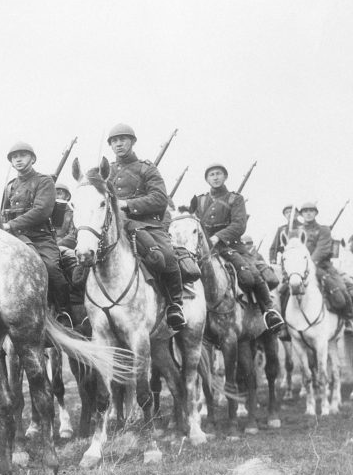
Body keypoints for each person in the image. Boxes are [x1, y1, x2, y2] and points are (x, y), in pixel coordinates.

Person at [105, 123, 186, 331]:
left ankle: (174, 304)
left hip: (146, 225)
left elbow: (160, 199)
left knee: (166, 255)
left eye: (123, 139)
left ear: (132, 142)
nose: (118, 144)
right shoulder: (106, 172)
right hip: (113, 226)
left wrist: (127, 204)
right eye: (114, 141)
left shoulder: (146, 168)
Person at [191, 163, 283, 332]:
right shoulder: (200, 200)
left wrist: (218, 236)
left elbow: (239, 225)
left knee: (251, 275)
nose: (215, 177)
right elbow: (195, 223)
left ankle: (269, 311)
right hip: (205, 248)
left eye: (219, 174)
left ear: (225, 177)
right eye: (212, 175)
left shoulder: (235, 199)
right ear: (207, 179)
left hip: (230, 246)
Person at [0, 142, 71, 319]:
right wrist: (3, 225)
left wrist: (11, 225)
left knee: (51, 269)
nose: (18, 159)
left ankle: (64, 313)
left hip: (40, 237)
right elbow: (2, 213)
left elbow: (42, 211)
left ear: (32, 159)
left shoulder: (44, 181)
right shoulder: (9, 186)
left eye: (22, 155)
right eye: (14, 157)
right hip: (15, 238)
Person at [297, 201, 353, 319]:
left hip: (323, 267)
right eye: (305, 211)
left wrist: (309, 264)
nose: (308, 213)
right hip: (300, 267)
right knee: (281, 290)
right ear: (301, 214)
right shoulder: (296, 231)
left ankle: (347, 319)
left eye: (311, 211)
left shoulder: (324, 230)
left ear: (316, 213)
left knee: (341, 288)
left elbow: (322, 249)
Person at [53, 183, 77, 250]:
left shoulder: (72, 214)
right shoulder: (47, 209)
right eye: (53, 194)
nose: (56, 197)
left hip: (60, 246)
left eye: (59, 194)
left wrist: (58, 244)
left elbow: (72, 235)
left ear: (67, 197)